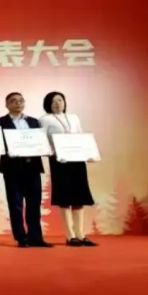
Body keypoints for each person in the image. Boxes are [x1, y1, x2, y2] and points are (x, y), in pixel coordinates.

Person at [0, 92, 52, 248]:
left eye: (21, 100)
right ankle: (21, 237)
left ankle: (36, 238)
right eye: (13, 101)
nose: (18, 103)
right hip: (12, 168)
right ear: (7, 105)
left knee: (34, 204)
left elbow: (40, 142)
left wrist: (45, 149)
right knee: (15, 204)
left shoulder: (34, 121)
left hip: (33, 167)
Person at [39, 91, 97, 247]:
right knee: (64, 198)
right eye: (53, 101)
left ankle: (81, 235)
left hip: (77, 160)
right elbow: (43, 140)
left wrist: (88, 154)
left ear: (64, 102)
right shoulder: (45, 119)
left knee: (79, 197)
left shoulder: (74, 117)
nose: (57, 103)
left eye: (60, 100)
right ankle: (70, 236)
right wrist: (53, 153)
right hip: (59, 161)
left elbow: (81, 136)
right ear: (48, 104)